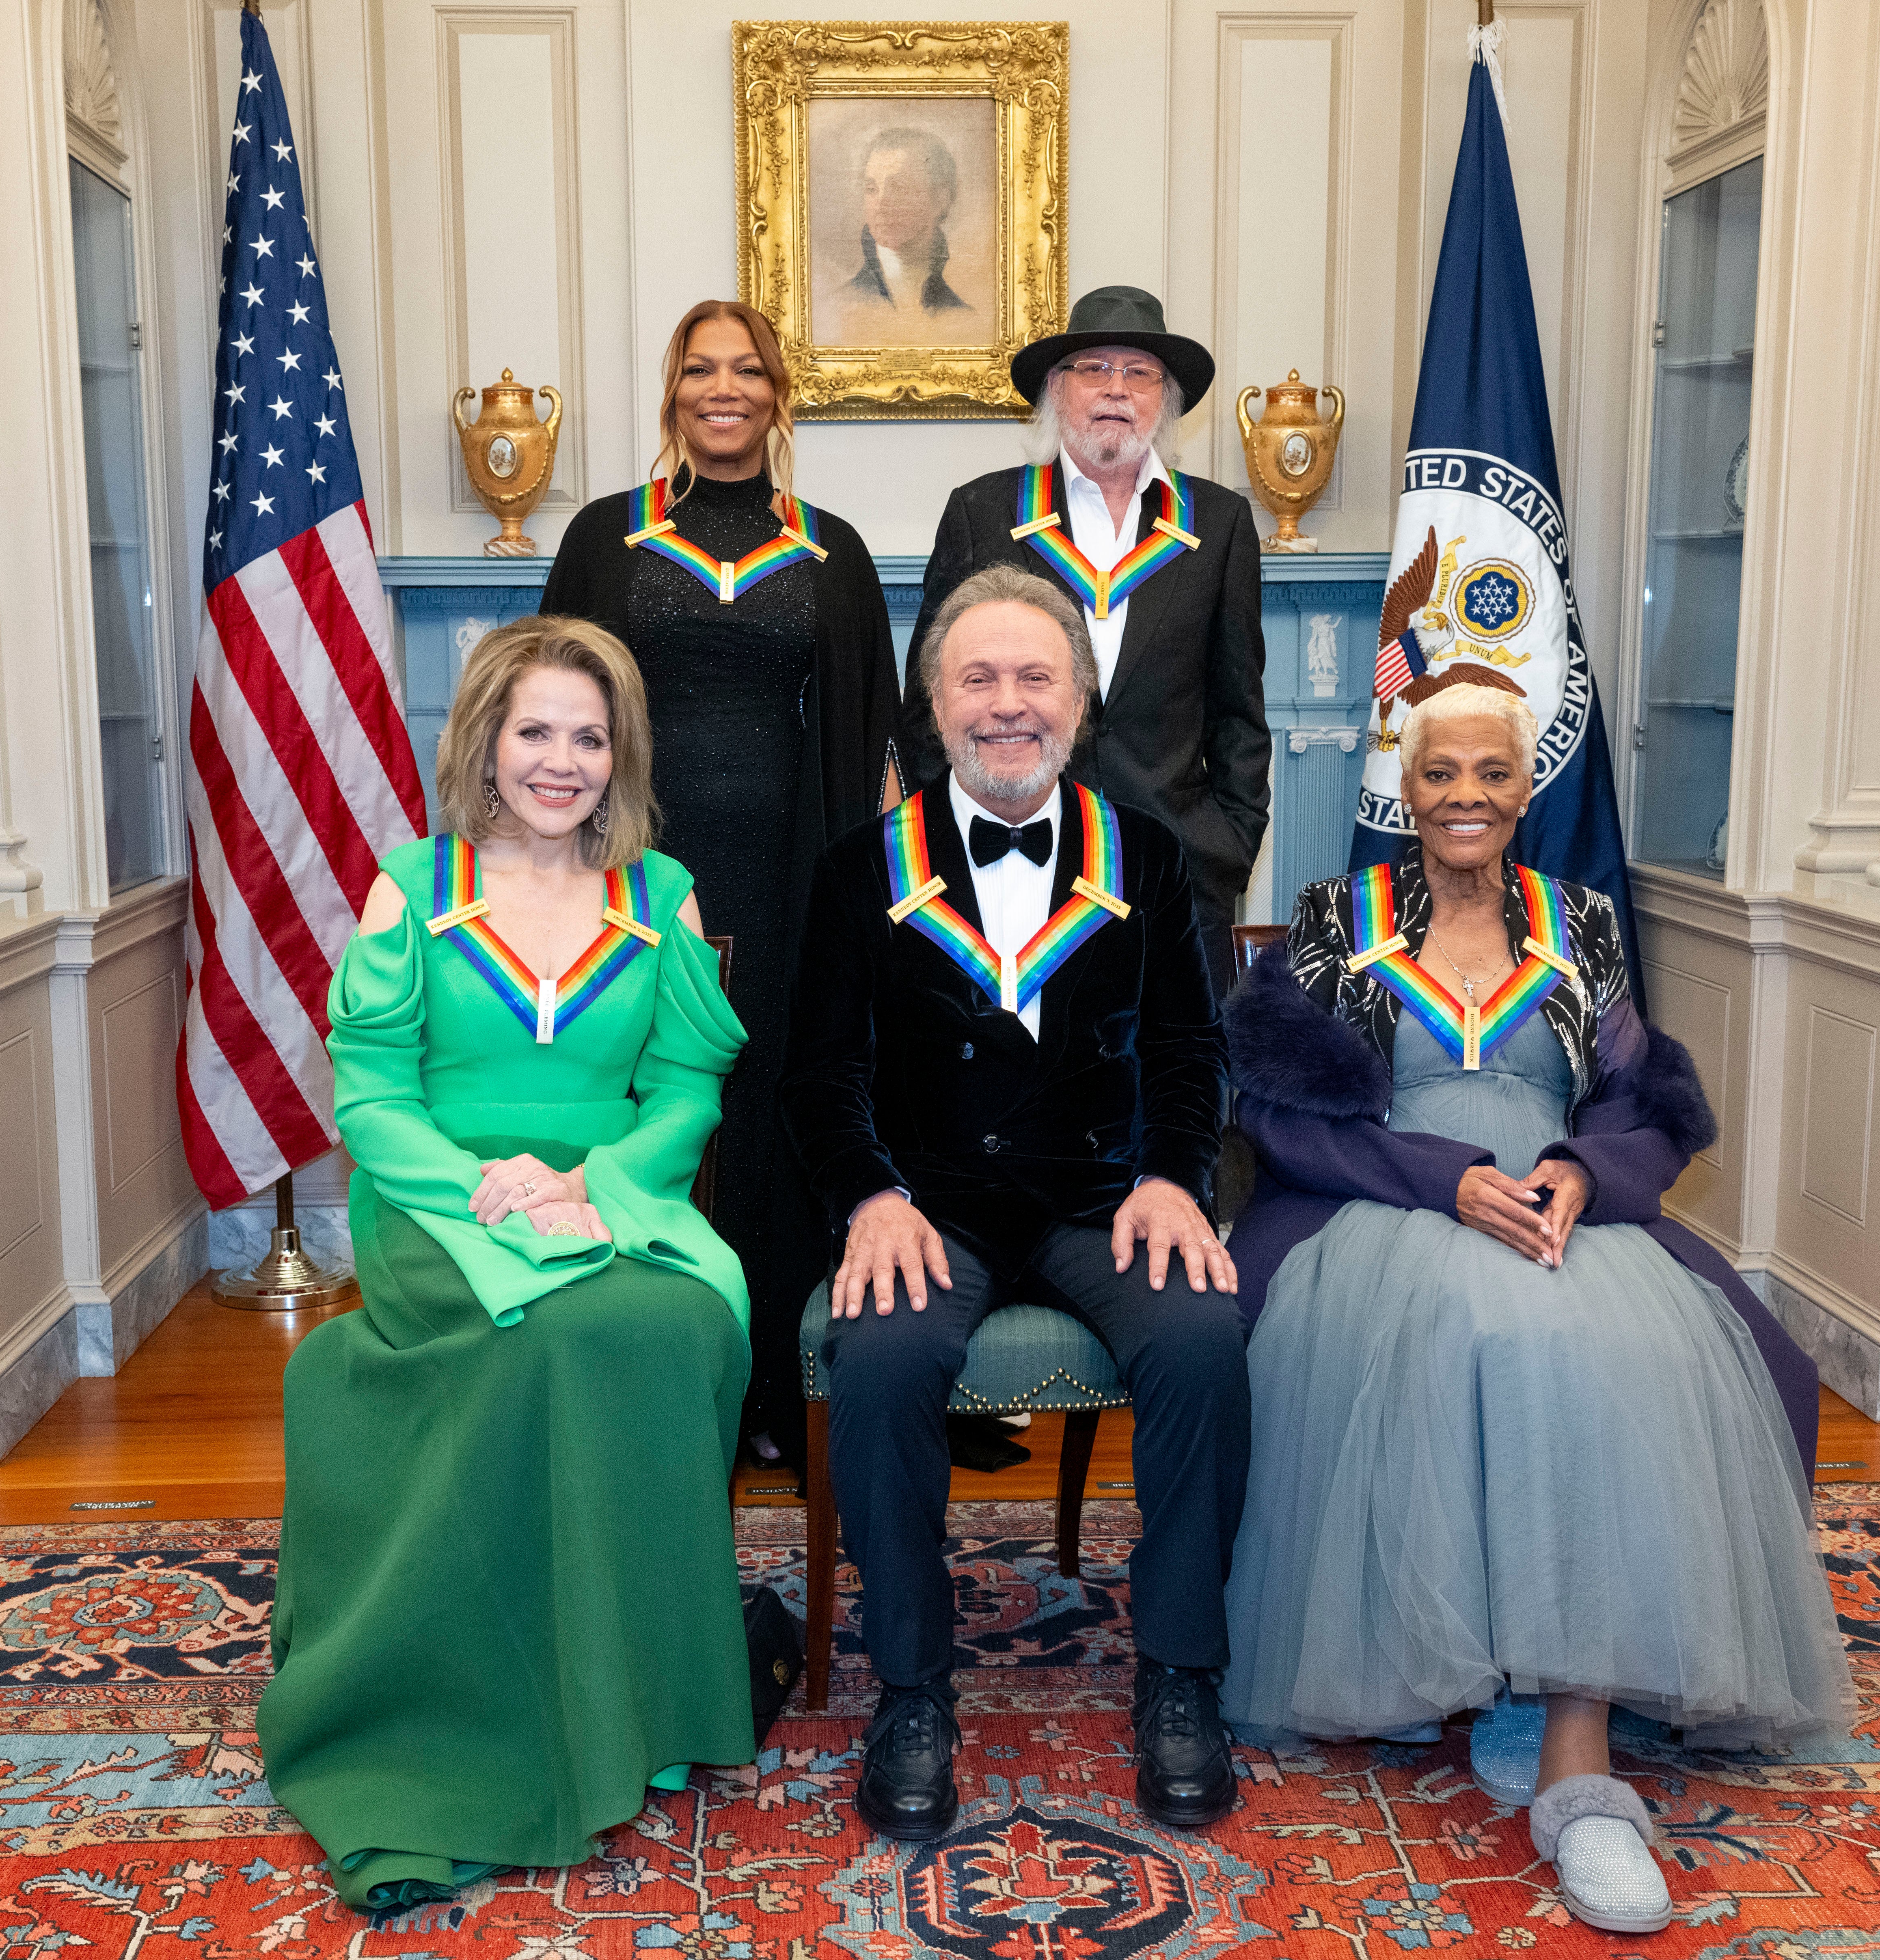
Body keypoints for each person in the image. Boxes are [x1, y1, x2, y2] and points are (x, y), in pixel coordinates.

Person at [1216, 678, 1852, 1936]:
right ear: (1405, 788)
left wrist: (1577, 1173)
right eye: (1439, 772)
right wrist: (1441, 1180)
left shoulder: (1584, 924)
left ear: (1524, 789)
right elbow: (1277, 1116)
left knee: (1634, 1345)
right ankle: (1439, 1648)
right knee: (1486, 1332)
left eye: (1489, 774)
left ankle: (1575, 1743)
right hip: (1378, 1202)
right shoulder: (1328, 918)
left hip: (1555, 1207)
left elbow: (1640, 1104)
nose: (1463, 795)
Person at [259, 617, 755, 1912]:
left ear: (620, 755)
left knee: (678, 1325)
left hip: (618, 1195)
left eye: (589, 736)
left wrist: (594, 1184)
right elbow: (369, 1097)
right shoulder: (411, 887)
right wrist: (484, 1190)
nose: (561, 760)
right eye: (534, 729)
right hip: (440, 1201)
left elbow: (688, 1084)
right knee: (546, 1336)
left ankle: (635, 1688)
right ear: (483, 739)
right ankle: (496, 1693)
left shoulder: (665, 893)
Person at [782, 562, 1251, 1841]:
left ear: (1077, 702)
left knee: (1206, 1339)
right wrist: (868, 1196)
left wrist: (1171, 1176)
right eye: (975, 677)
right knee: (874, 1358)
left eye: (1032, 676)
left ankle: (1178, 1671)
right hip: (925, 1206)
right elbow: (817, 1074)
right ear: (933, 705)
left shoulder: (1144, 859)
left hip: (1103, 1197)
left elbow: (1188, 1050)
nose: (1006, 703)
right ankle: (913, 1689)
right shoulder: (855, 868)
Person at [543, 300, 899, 1471]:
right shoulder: (609, 536)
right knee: (659, 1109)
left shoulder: (828, 547)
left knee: (770, 1111)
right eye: (700, 369)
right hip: (639, 875)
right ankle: (658, 1384)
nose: (724, 388)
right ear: (672, 392)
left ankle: (775, 1390)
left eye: (747, 369)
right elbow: (550, 714)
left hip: (793, 880)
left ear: (778, 392)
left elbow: (869, 735)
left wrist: (867, 909)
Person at [904, 285, 1271, 991]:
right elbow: (929, 703)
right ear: (1054, 389)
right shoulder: (983, 511)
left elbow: (1239, 715)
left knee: (1168, 1082)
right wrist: (954, 840)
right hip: (1009, 859)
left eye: (1139, 373)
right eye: (1093, 369)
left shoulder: (1219, 524)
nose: (1115, 389)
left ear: (1165, 401)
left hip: (1175, 866)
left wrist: (1225, 844)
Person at [843, 126, 971, 317]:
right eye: (871, 189)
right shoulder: (841, 305)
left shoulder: (962, 316)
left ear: (940, 200)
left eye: (898, 188)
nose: (881, 206)